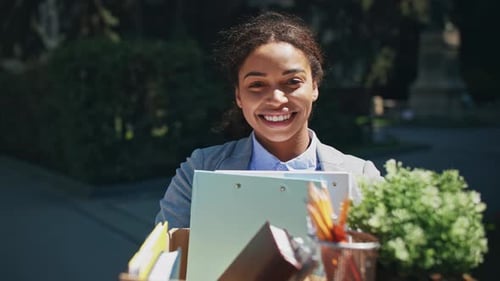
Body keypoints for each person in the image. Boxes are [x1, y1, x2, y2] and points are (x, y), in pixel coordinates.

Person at [155, 11, 380, 228]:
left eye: (292, 82)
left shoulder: (361, 177)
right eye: (257, 85)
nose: (276, 99)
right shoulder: (199, 172)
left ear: (314, 87)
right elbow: (165, 258)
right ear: (238, 96)